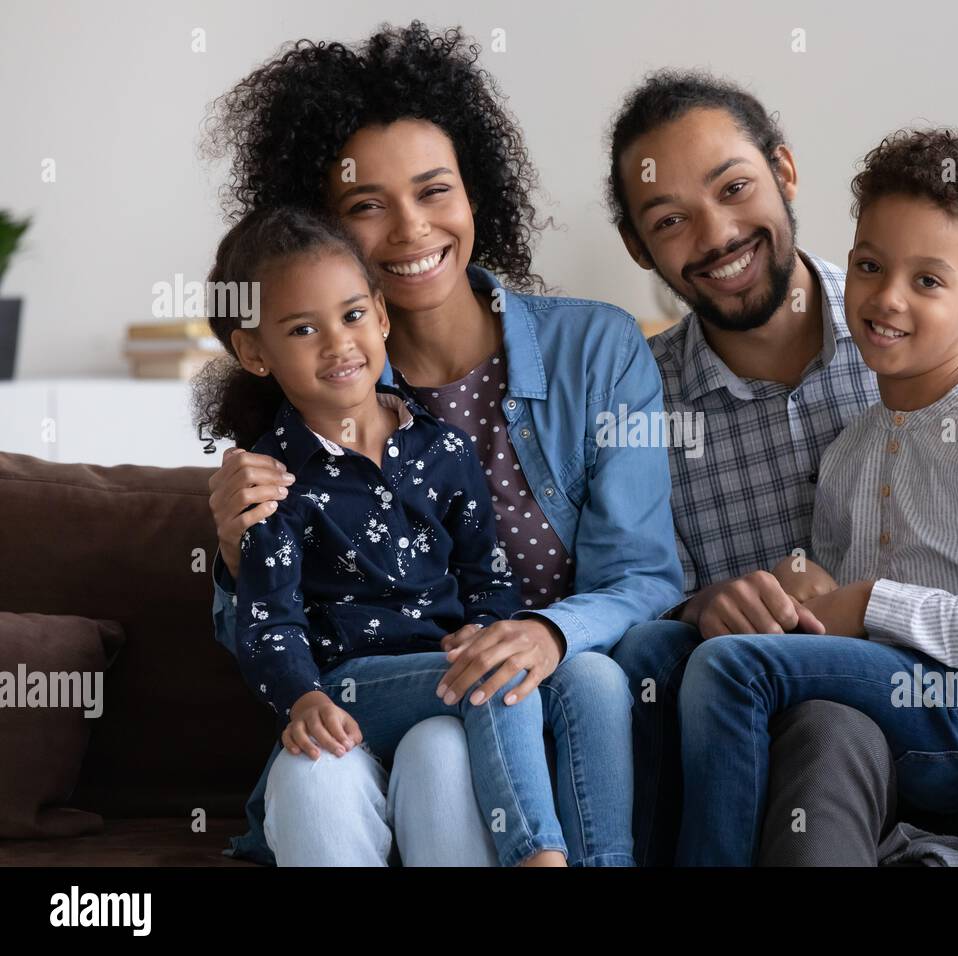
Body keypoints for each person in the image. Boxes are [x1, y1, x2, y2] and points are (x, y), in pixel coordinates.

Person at [605, 70, 958, 866]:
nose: (715, 234)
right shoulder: (637, 402)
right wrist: (707, 606)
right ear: (639, 248)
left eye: (734, 187)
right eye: (671, 219)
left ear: (783, 173)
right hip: (841, 734)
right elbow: (633, 603)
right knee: (822, 732)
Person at [199, 22, 680, 866]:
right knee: (367, 759)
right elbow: (265, 624)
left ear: (475, 191)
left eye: (434, 191)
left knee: (576, 686)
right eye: (366, 206)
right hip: (368, 711)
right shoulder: (312, 399)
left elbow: (643, 576)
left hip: (529, 700)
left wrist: (543, 633)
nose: (413, 229)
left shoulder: (595, 350)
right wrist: (233, 554)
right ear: (326, 237)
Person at [676, 128, 958, 865]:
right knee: (791, 706)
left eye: (928, 281)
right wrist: (809, 591)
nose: (886, 297)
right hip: (900, 718)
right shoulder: (852, 450)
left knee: (730, 665)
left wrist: (871, 604)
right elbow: (844, 631)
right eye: (869, 265)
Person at [199, 204, 572, 866]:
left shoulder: (444, 450)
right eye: (302, 329)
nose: (338, 343)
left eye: (350, 315)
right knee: (490, 676)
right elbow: (268, 624)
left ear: (381, 312)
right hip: (350, 689)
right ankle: (540, 856)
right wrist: (304, 695)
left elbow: (489, 578)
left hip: (439, 696)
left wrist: (486, 625)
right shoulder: (274, 482)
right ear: (255, 352)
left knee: (486, 676)